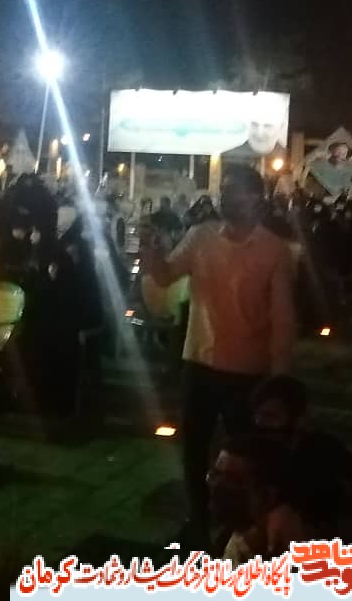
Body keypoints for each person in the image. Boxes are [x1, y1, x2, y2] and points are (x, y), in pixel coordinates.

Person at [143, 164, 296, 541]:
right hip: (199, 361)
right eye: (224, 189)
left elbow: (282, 320)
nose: (226, 197)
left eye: (235, 190)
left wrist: (279, 381)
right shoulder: (201, 237)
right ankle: (198, 518)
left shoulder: (273, 250)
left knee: (245, 454)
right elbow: (166, 276)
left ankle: (241, 525)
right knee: (193, 449)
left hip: (248, 370)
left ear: (256, 198)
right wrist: (154, 254)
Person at [250, 375, 352, 539]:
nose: (260, 423)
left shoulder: (323, 454)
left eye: (271, 417)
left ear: (299, 419)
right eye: (257, 415)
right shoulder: (259, 450)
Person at [209, 435, 309, 563]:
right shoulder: (235, 543)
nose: (217, 486)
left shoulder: (299, 557)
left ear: (268, 496)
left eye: (231, 480)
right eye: (216, 475)